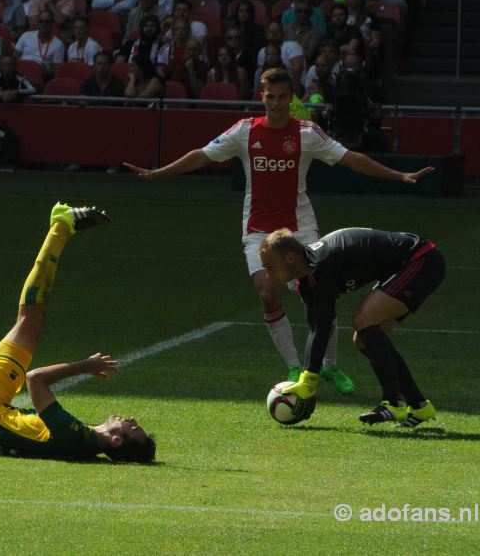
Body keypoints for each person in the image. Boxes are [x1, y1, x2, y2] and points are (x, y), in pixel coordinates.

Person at [124, 68, 433, 390]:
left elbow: (350, 158)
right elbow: (202, 156)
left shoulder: (307, 133)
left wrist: (399, 176)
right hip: (258, 231)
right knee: (268, 295)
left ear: (291, 97)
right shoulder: (244, 131)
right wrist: (159, 173)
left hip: (300, 231)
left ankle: (329, 367)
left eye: (282, 97)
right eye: (270, 97)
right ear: (261, 96)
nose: (276, 103)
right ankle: (294, 368)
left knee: (319, 297)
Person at [0, 202, 156, 462]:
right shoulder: (82, 445)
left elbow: (35, 378)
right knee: (31, 325)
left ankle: (61, 225)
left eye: (134, 427)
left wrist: (85, 365)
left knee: (31, 322)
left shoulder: (75, 437)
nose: (132, 419)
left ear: (117, 441)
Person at [260, 227, 445, 427]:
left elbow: (324, 327)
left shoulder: (323, 264)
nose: (268, 276)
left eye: (270, 267)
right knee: (364, 339)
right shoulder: (307, 282)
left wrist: (308, 380)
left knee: (364, 319)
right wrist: (308, 377)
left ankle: (393, 403)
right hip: (408, 265)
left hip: (422, 259)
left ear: (290, 258)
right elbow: (318, 328)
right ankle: (418, 405)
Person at [14, 9, 64, 80]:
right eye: (41, 21)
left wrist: (38, 72)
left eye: (47, 22)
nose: (44, 24)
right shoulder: (26, 35)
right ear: (37, 23)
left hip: (40, 76)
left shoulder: (58, 44)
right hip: (21, 73)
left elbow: (56, 69)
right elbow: (15, 57)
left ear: (53, 24)